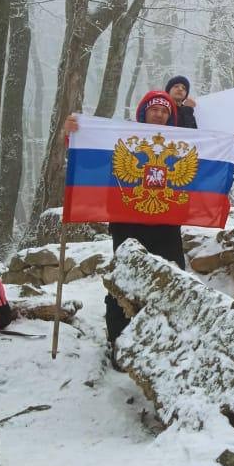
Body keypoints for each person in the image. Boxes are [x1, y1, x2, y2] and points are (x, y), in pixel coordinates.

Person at [63, 91, 186, 358]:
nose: (159, 114)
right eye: (154, 109)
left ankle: (168, 344)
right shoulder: (121, 138)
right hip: (128, 224)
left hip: (166, 226)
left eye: (165, 111)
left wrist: (230, 144)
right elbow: (91, 155)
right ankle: (120, 342)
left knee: (174, 280)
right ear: (144, 112)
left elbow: (204, 168)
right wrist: (72, 133)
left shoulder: (181, 145)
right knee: (125, 283)